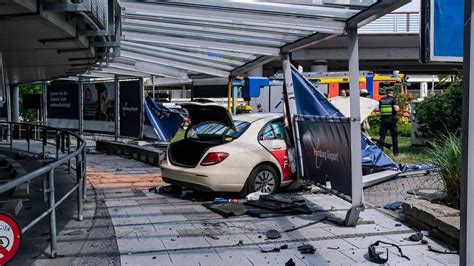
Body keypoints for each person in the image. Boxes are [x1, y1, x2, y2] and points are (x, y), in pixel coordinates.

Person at [377, 87, 400, 155]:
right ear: (392, 92)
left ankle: (380, 152)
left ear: (386, 93)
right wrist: (398, 107)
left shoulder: (381, 100)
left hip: (383, 120)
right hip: (392, 121)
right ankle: (396, 153)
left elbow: (378, 109)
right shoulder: (393, 99)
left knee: (382, 137)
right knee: (394, 137)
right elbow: (396, 109)